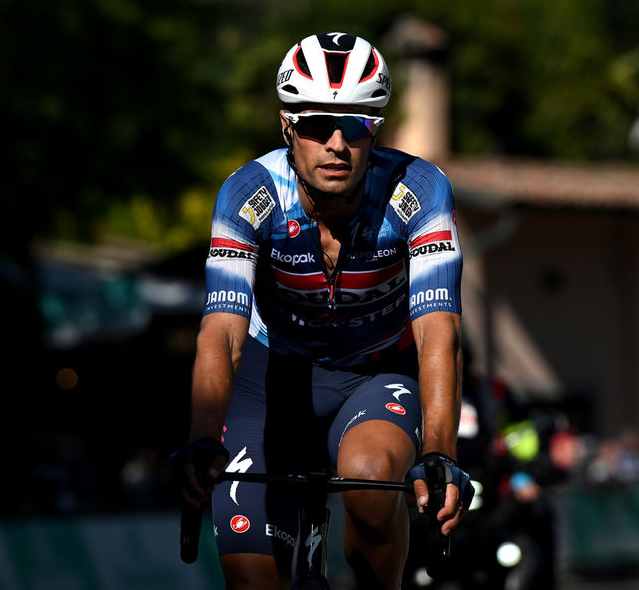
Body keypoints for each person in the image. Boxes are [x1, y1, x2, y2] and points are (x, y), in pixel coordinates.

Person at [169, 32, 471, 589]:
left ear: (374, 130)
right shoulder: (247, 194)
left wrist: (440, 453)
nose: (336, 143)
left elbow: (438, 331)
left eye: (354, 125)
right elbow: (222, 333)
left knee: (371, 477)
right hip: (270, 379)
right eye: (315, 125)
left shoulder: (420, 190)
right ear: (288, 126)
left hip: (376, 373)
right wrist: (204, 438)